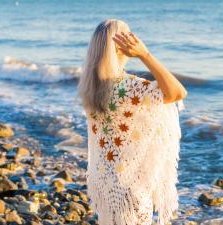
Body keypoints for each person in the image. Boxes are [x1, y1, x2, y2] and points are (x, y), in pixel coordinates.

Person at [77, 19, 187, 225]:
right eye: (128, 35)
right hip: (130, 185)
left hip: (104, 181)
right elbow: (178, 92)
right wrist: (144, 54)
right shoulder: (127, 87)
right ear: (121, 45)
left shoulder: (90, 87)